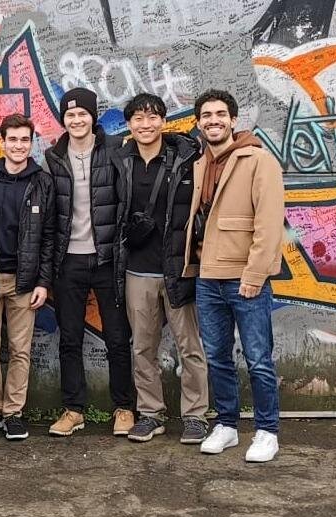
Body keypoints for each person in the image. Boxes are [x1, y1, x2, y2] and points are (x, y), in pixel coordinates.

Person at [183, 89, 285, 463]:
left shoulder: (258, 160)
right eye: (206, 115)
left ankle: (267, 431)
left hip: (244, 278)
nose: (214, 121)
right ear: (198, 123)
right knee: (217, 357)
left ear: (233, 120)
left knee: (258, 358)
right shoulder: (200, 163)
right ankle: (226, 425)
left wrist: (255, 275)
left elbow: (269, 224)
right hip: (207, 277)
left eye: (220, 114)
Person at [113, 93, 210, 445]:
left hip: (178, 269)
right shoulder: (120, 160)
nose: (146, 124)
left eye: (153, 117)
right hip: (137, 271)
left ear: (164, 121)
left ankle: (195, 416)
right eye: (138, 118)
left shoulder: (187, 157)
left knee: (190, 346)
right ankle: (151, 413)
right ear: (129, 124)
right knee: (142, 347)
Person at [44, 87, 135, 437]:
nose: (76, 120)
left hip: (107, 260)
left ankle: (124, 408)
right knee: (69, 339)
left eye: (82, 113)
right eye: (70, 115)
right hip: (68, 262)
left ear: (92, 116)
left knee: (117, 337)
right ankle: (73, 410)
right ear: (63, 119)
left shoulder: (115, 150)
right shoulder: (53, 157)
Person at [0, 114, 55, 441]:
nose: (19, 146)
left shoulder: (42, 182)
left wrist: (43, 282)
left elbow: (49, 236)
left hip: (25, 280)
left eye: (25, 140)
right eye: (13, 140)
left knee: (20, 350)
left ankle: (14, 413)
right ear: (1, 142)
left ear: (31, 143)